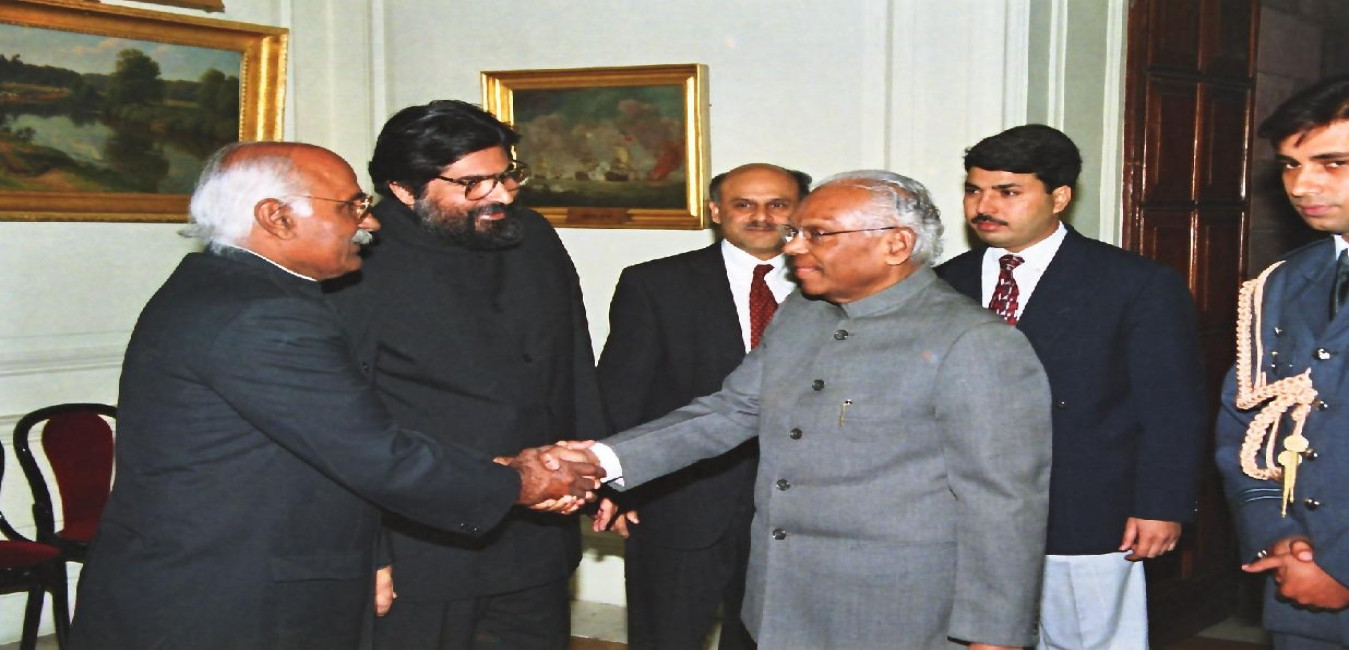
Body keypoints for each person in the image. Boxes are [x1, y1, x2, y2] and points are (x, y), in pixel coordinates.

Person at [68, 142, 601, 650]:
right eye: (351, 207)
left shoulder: (226, 287)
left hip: (220, 583)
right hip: (227, 600)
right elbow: (375, 453)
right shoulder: (262, 315)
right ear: (276, 217)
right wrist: (522, 480)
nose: (369, 223)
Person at [584, 170, 1052, 649]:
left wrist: (994, 635)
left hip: (898, 614)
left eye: (817, 234)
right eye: (796, 232)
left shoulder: (975, 342)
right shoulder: (802, 312)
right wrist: (596, 461)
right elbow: (731, 410)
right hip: (781, 604)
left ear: (896, 244)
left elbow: (1004, 504)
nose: (792, 247)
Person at [323, 100, 608, 650]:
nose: (501, 195)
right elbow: (345, 424)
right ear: (404, 189)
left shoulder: (533, 236)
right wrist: (369, 548)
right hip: (424, 545)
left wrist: (601, 466)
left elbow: (572, 359)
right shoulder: (357, 261)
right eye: (473, 184)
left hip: (539, 530)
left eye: (506, 176)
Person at [937, 124, 1207, 648]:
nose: (984, 206)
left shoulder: (1134, 283)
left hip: (1085, 507)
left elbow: (1172, 407)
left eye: (1007, 192)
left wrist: (1162, 503)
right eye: (974, 190)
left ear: (1059, 197)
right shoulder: (947, 282)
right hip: (966, 510)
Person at [596, 163, 809, 650]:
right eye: (743, 204)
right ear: (716, 211)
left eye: (777, 204)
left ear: (801, 211)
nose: (761, 216)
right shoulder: (655, 284)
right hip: (679, 502)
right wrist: (616, 485)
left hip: (795, 511)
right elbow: (621, 391)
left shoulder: (832, 286)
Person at [1216, 74, 1349, 649]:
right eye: (1291, 165)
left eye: (1333, 163)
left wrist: (1342, 566)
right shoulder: (1283, 283)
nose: (1302, 184)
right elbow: (1245, 426)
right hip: (1300, 586)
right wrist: (1278, 536)